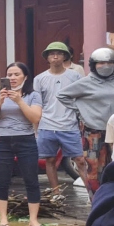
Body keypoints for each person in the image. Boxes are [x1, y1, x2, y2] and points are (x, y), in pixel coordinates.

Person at [0, 62, 44, 226]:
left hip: (26, 139)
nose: (12, 78)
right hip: (2, 140)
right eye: (9, 75)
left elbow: (35, 118)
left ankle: (33, 220)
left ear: (25, 77)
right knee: (1, 180)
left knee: (31, 180)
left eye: (16, 74)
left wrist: (19, 101)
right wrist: (0, 101)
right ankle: (3, 219)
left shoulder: (33, 95)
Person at [58, 47, 114, 193]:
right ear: (93, 65)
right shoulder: (86, 82)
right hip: (94, 132)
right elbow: (62, 95)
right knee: (94, 169)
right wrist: (81, 110)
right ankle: (97, 202)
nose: (105, 66)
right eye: (100, 63)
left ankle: (112, 202)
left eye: (109, 62)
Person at [35, 42, 86, 190]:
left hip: (69, 124)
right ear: (47, 57)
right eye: (51, 53)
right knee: (49, 160)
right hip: (47, 125)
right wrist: (36, 128)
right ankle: (55, 192)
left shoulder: (75, 76)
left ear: (65, 56)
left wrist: (82, 118)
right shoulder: (39, 78)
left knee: (80, 160)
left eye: (59, 53)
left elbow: (81, 98)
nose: (55, 56)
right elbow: (37, 104)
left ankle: (92, 193)